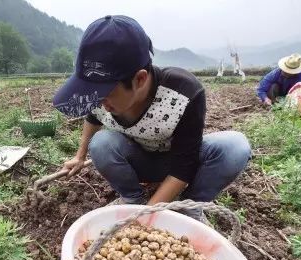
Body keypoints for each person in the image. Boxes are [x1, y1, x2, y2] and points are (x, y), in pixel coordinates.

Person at [52, 15, 251, 220]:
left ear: (139, 79)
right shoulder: (101, 100)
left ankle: (189, 207)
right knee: (102, 143)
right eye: (94, 94)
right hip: (140, 161)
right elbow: (93, 118)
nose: (99, 102)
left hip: (179, 160)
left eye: (105, 94)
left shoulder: (184, 92)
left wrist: (145, 218)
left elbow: (184, 164)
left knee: (235, 147)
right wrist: (80, 155)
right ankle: (132, 200)